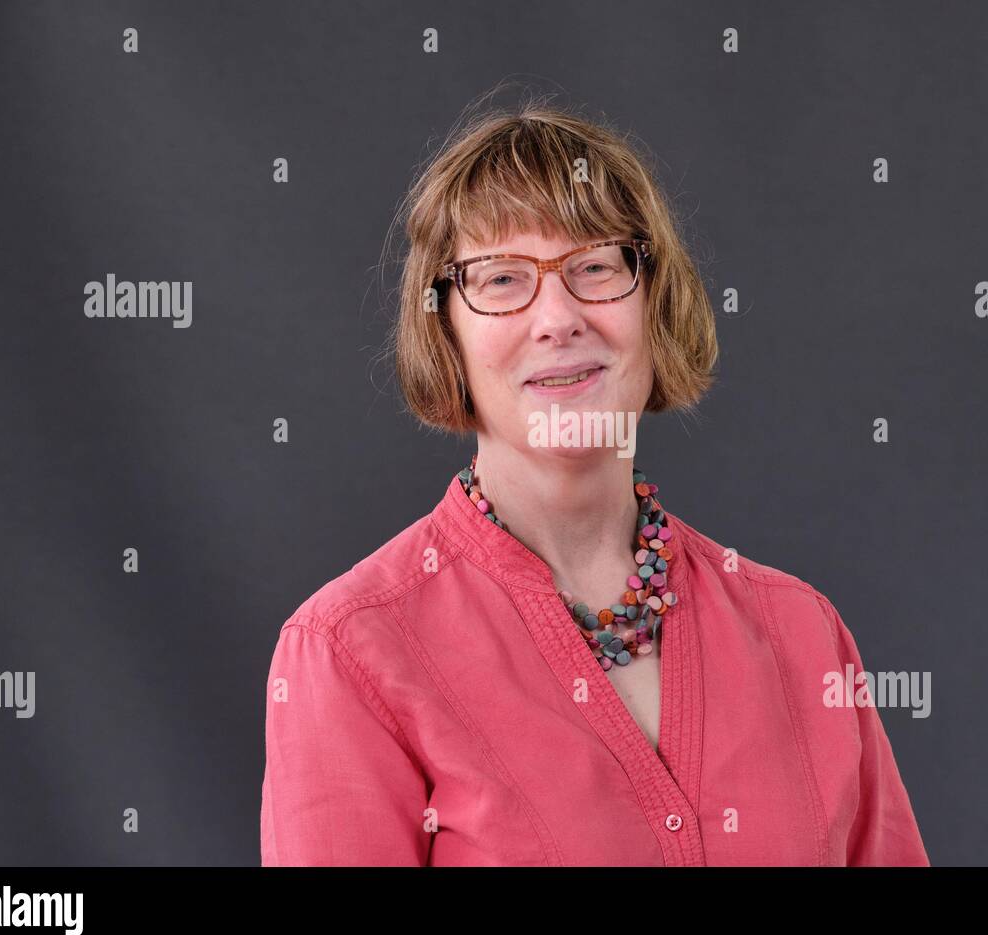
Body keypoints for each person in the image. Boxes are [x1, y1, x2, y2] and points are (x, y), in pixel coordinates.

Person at [259, 97, 929, 866]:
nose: (558, 317)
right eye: (503, 279)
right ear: (444, 330)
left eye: (595, 268)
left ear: (655, 301)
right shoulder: (350, 651)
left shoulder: (803, 633)